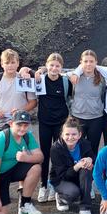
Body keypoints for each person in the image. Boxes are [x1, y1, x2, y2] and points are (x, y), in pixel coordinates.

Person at [29, 53, 73, 203]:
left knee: (58, 154)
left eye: (57, 66)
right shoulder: (39, 79)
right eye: (51, 65)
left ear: (61, 67)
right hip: (45, 122)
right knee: (44, 154)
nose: (54, 68)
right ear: (46, 65)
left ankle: (54, 184)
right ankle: (43, 185)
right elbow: (23, 74)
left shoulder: (66, 82)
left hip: (61, 123)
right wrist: (30, 71)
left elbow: (71, 99)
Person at [49, 117, 95, 214]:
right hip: (61, 180)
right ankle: (60, 197)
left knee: (87, 168)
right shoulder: (56, 149)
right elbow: (63, 175)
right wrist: (77, 166)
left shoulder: (85, 144)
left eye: (74, 134)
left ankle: (85, 207)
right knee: (74, 193)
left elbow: (93, 157)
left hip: (78, 177)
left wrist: (90, 159)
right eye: (67, 134)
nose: (70, 137)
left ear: (80, 135)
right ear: (62, 135)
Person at [0, 49, 37, 127]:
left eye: (13, 62)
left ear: (18, 63)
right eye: (7, 63)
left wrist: (20, 111)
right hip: (0, 121)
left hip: (21, 121)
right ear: (2, 64)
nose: (10, 65)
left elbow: (33, 102)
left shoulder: (24, 79)